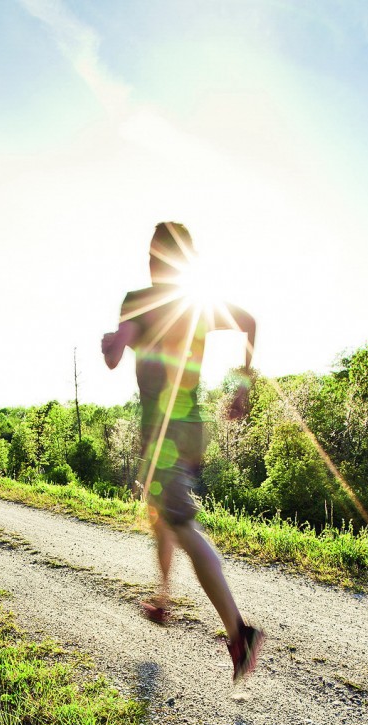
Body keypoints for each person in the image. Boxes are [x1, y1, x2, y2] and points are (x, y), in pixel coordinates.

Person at [101, 221, 264, 682]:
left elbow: (115, 356)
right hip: (190, 428)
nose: (155, 264)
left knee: (182, 523)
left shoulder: (138, 300)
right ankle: (164, 597)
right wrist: (242, 386)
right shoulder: (198, 304)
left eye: (157, 256)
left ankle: (240, 634)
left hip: (166, 433)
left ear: (155, 259)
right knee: (161, 515)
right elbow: (249, 322)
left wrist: (112, 344)